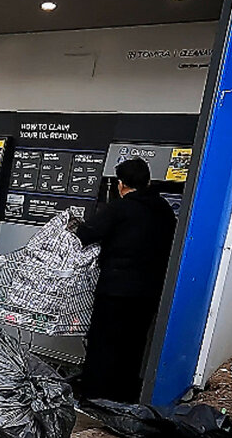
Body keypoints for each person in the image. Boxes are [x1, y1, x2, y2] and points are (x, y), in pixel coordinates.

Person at [73, 157, 176, 403]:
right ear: (148, 181)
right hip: (149, 291)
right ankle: (125, 397)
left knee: (104, 343)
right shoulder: (164, 210)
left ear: (120, 184)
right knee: (134, 344)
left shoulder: (119, 208)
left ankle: (96, 396)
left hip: (116, 289)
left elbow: (88, 234)